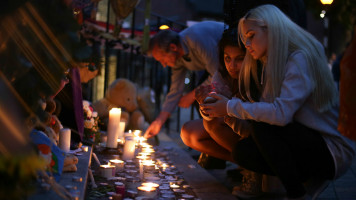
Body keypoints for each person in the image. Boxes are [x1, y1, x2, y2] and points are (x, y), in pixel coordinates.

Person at [200, 4, 356, 200]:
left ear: (272, 30)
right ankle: (305, 182)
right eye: (244, 38)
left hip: (332, 151)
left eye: (251, 36)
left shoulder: (300, 58)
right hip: (304, 141)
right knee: (243, 151)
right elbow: (257, 130)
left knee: (263, 122)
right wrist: (223, 113)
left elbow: (280, 115)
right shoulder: (268, 63)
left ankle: (297, 194)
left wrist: (230, 107)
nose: (247, 44)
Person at [144, 21, 224, 138]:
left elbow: (218, 75)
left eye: (163, 59)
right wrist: (159, 121)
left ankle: (218, 135)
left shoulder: (196, 39)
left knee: (203, 98)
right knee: (201, 100)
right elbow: (175, 90)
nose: (164, 65)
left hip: (229, 65)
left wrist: (192, 95)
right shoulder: (177, 58)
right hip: (215, 70)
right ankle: (213, 136)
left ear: (173, 47)